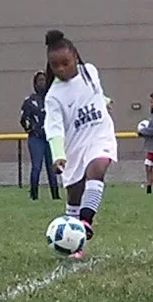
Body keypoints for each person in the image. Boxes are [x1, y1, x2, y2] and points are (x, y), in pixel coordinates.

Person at [44, 29, 117, 260]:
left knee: (98, 167)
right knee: (74, 194)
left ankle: (86, 222)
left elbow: (95, 93)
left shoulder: (90, 72)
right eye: (56, 66)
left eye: (65, 63)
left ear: (75, 56)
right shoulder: (53, 96)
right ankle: (75, 244)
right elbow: (54, 128)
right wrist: (58, 155)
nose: (61, 69)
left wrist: (104, 102)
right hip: (75, 145)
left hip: (100, 134)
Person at [20, 71, 60, 201]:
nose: (42, 83)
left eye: (44, 80)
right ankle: (34, 195)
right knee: (36, 166)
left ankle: (55, 195)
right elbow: (23, 119)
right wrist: (32, 129)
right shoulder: (30, 101)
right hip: (36, 138)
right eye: (39, 81)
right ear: (35, 84)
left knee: (52, 167)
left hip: (50, 138)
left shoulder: (52, 99)